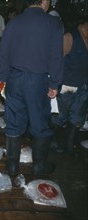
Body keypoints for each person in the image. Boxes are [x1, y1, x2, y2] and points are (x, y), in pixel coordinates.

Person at [0, 0, 63, 176]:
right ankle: (38, 167)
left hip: (14, 78)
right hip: (38, 80)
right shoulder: (53, 23)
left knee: (14, 122)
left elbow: (3, 53)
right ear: (44, 1)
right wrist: (55, 84)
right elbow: (56, 56)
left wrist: (3, 78)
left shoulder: (14, 22)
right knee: (39, 123)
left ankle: (12, 167)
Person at [50, 18, 88, 157]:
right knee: (59, 117)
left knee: (77, 118)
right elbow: (56, 60)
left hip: (84, 86)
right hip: (67, 85)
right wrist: (53, 83)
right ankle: (52, 142)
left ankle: (69, 146)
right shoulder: (70, 36)